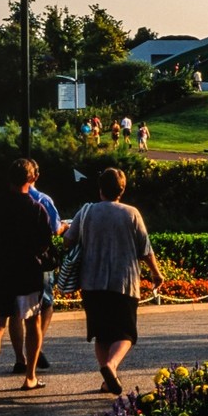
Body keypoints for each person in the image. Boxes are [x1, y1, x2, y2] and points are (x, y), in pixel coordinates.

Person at [64, 168, 164, 396]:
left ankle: (108, 380)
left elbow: (68, 241)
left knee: (101, 334)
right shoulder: (132, 213)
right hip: (124, 282)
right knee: (126, 334)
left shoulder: (86, 212)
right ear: (122, 189)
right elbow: (145, 249)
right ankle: (111, 366)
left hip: (92, 282)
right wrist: (156, 273)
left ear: (100, 189)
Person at [0, 159, 53, 398]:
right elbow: (44, 243)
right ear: (31, 179)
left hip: (0, 271)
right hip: (27, 273)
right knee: (33, 323)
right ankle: (30, 376)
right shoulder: (36, 209)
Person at [8, 159, 67, 375]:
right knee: (44, 306)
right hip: (38, 262)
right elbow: (53, 229)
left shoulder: (5, 200)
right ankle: (36, 348)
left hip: (11, 261)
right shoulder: (42, 200)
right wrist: (64, 228)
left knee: (14, 311)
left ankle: (19, 357)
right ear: (35, 176)